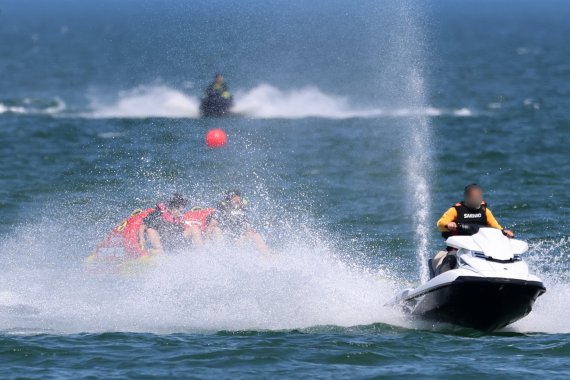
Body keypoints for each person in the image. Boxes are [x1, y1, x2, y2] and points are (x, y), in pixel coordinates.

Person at [432, 184, 515, 274]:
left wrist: (503, 232)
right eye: (474, 197)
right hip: (458, 248)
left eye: (479, 197)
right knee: (450, 258)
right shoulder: (455, 210)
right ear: (466, 197)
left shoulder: (485, 211)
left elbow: (496, 227)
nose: (477, 199)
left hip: (480, 248)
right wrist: (448, 224)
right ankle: (443, 277)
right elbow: (440, 223)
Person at [207, 190, 271, 254]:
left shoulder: (242, 212)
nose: (237, 200)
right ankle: (220, 253)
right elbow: (210, 227)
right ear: (229, 200)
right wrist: (206, 242)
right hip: (223, 237)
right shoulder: (222, 210)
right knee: (216, 230)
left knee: (254, 234)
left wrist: (250, 232)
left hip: (237, 239)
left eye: (238, 199)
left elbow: (248, 228)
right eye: (234, 198)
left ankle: (266, 255)